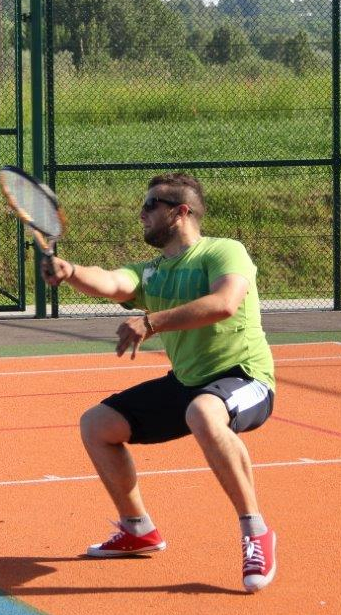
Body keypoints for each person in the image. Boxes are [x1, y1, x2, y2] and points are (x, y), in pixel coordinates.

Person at [40, 173, 278, 593]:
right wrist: (71, 271)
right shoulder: (152, 272)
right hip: (187, 383)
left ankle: (255, 531)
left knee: (203, 412)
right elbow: (113, 281)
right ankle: (138, 529)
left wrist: (152, 322)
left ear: (180, 212)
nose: (142, 213)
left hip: (244, 376)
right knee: (97, 424)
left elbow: (224, 303)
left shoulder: (224, 251)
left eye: (151, 205)